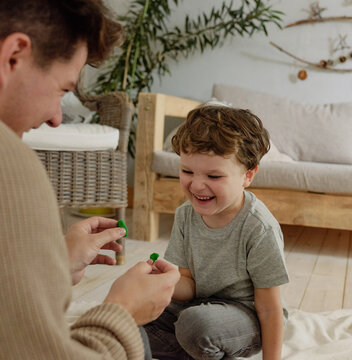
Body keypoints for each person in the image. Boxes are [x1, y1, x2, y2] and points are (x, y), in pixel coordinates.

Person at [0, 1, 180, 359]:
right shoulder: (10, 162)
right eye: (62, 90)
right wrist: (123, 312)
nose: (55, 118)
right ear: (13, 57)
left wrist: (53, 265)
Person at [144, 104, 290, 360]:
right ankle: (196, 352)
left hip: (245, 317)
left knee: (195, 325)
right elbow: (189, 285)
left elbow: (269, 309)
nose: (197, 184)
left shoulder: (258, 227)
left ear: (248, 176)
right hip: (196, 307)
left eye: (213, 176)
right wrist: (164, 280)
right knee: (130, 321)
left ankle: (199, 348)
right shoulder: (184, 215)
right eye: (187, 171)